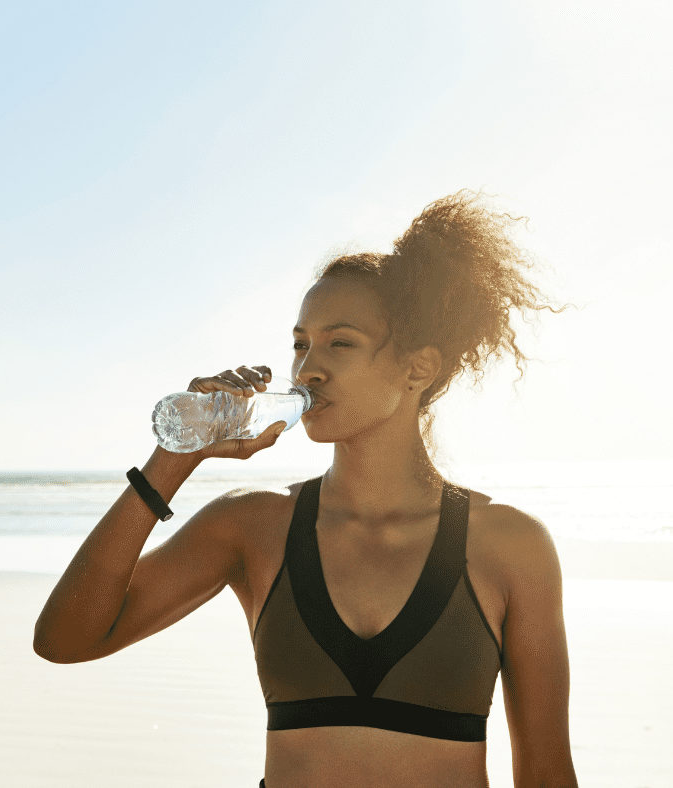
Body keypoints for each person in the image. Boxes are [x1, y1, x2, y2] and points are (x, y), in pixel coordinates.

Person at [34, 190, 578, 788]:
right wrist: (173, 458)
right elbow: (65, 638)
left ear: (418, 367)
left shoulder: (509, 546)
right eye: (301, 344)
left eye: (339, 343)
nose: (306, 370)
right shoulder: (253, 527)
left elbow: (547, 773)